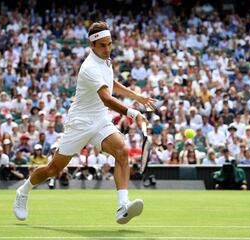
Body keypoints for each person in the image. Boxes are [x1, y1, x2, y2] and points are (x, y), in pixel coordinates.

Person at [13, 21, 155, 224]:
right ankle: (23, 191)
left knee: (122, 150)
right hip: (79, 123)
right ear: (92, 46)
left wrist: (136, 96)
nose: (107, 49)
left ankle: (122, 207)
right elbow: (106, 98)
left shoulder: (106, 60)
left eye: (110, 44)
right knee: (54, 169)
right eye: (103, 45)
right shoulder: (88, 67)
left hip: (100, 120)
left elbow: (111, 82)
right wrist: (134, 113)